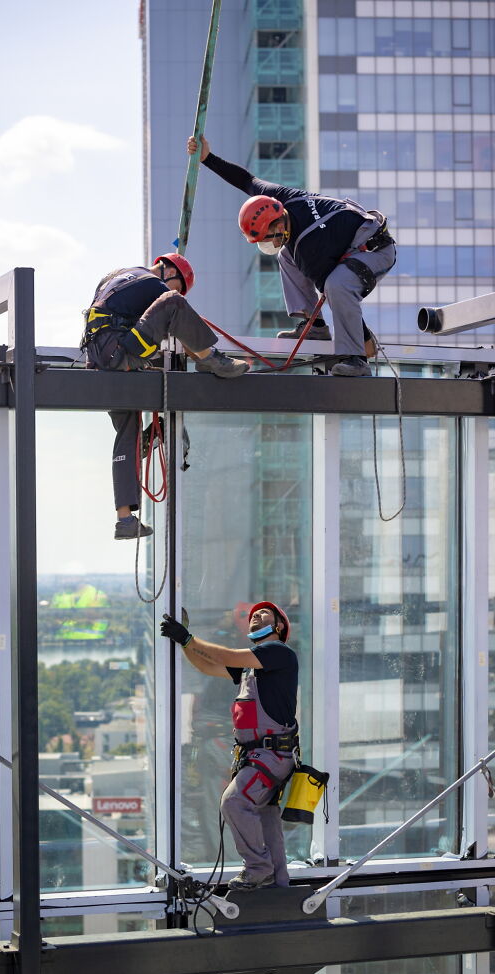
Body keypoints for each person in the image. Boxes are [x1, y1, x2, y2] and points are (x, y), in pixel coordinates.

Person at [188, 135, 396, 377]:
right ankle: (314, 326)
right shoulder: (282, 198)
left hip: (374, 250)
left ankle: (356, 360)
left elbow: (334, 293)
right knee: (286, 256)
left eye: (269, 237)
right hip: (346, 242)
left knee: (336, 284)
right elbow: (246, 180)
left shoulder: (310, 249)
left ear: (277, 224)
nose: (270, 242)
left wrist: (364, 340)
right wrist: (208, 159)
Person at [82, 254, 248, 540]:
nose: (177, 289)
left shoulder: (117, 276)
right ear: (169, 269)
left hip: (98, 358)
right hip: (118, 350)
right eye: (178, 284)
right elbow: (176, 318)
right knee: (174, 304)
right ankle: (214, 359)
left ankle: (125, 520)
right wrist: (201, 354)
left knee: (127, 432)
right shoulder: (157, 285)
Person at [160, 601, 298, 891]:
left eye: (264, 614)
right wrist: (185, 643)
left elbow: (227, 655)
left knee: (234, 802)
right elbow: (209, 666)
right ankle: (278, 884)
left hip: (270, 754)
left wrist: (187, 638)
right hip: (260, 755)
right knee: (266, 819)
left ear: (279, 627)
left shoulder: (278, 653)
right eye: (252, 616)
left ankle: (258, 868)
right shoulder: (252, 671)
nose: (255, 616)